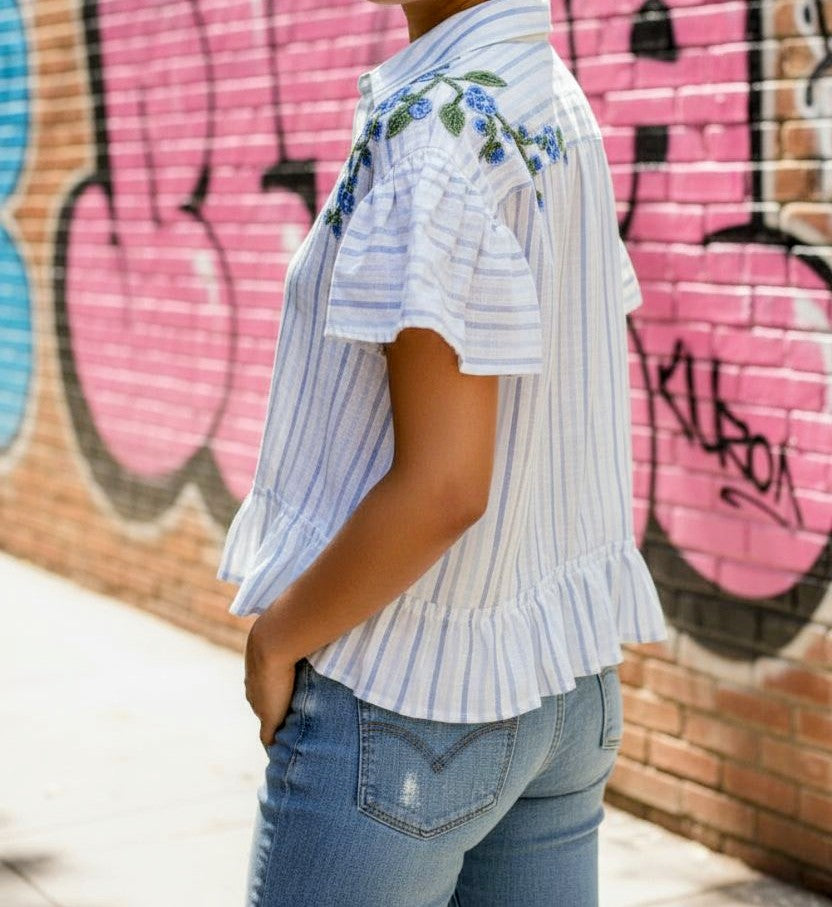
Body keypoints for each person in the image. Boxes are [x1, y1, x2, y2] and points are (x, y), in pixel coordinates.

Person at [216, 0, 669, 902]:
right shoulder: (555, 99)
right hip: (563, 688)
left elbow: (445, 487)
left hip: (406, 703)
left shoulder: (435, 128)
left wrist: (277, 639)